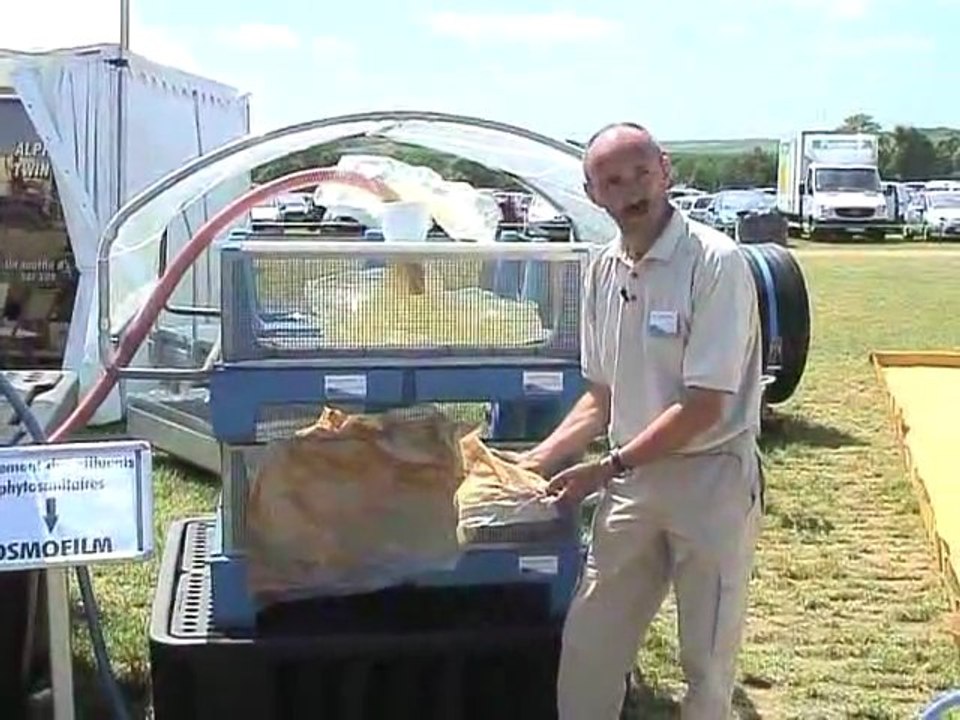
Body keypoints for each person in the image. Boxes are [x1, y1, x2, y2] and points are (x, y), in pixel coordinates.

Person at [520, 122, 765, 719]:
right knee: (589, 647)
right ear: (593, 191)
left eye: (641, 174)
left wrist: (604, 468)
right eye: (612, 181)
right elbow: (602, 394)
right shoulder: (603, 270)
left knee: (705, 663)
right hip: (631, 484)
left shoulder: (716, 263)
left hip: (709, 479)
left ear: (666, 171)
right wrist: (535, 461)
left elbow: (704, 404)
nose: (631, 191)